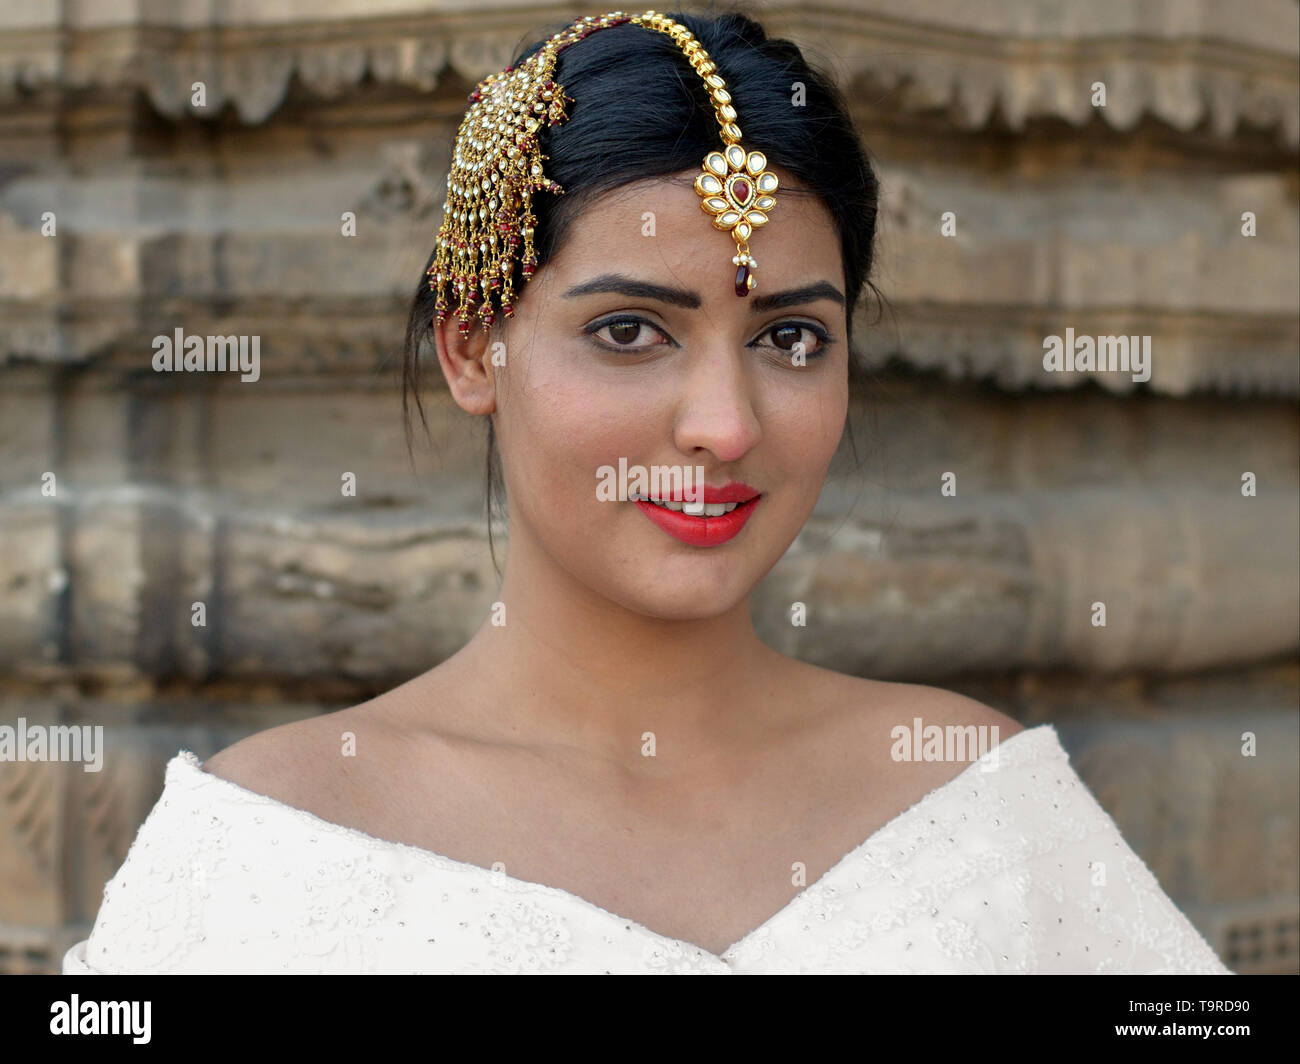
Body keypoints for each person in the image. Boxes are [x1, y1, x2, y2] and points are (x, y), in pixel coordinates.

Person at [63, 8, 1231, 974]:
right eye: (630, 330)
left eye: (789, 338)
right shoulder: (265, 849)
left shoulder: (973, 802)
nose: (724, 424)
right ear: (474, 351)